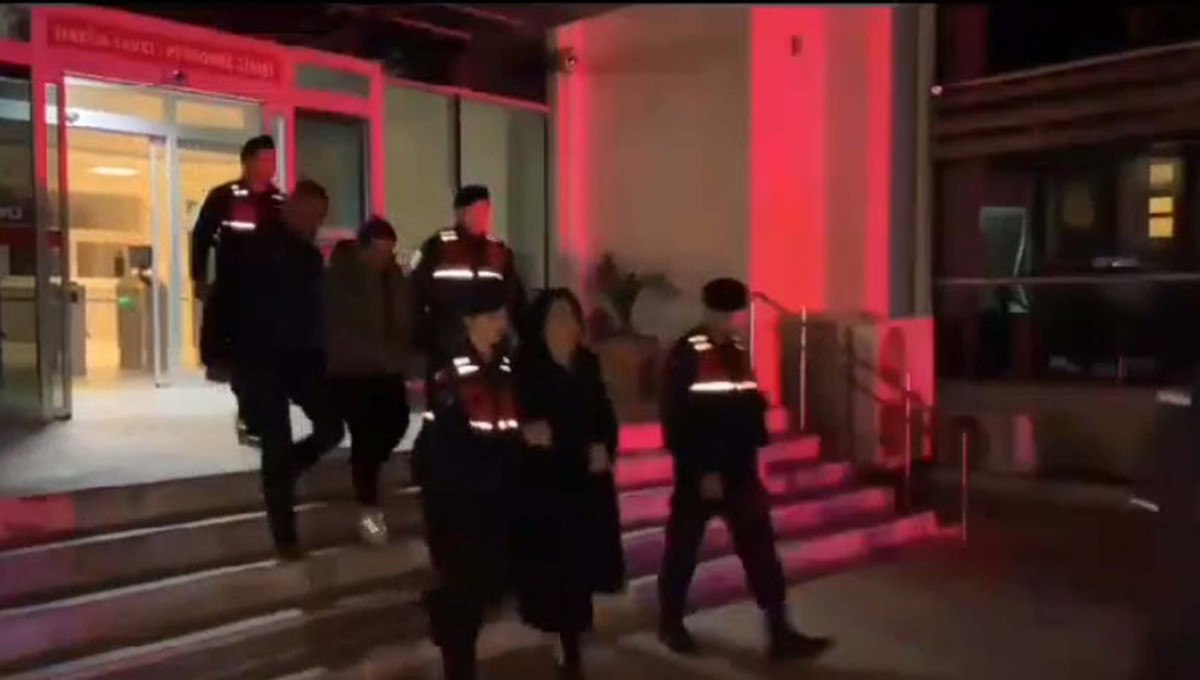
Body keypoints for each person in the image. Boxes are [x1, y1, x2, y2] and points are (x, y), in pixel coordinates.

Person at [657, 277, 832, 660]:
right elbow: (679, 419)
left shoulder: (735, 350)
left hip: (739, 470)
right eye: (725, 314)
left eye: (735, 314)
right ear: (708, 311)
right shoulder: (687, 352)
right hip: (701, 473)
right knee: (683, 549)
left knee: (761, 552)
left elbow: (745, 408)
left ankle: (780, 632)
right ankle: (670, 623)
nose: (731, 321)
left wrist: (756, 447)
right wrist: (704, 470)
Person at [414, 279, 524, 680]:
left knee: (477, 591)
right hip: (457, 500)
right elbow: (447, 444)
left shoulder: (504, 366)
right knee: (463, 593)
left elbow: (506, 428)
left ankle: (449, 631)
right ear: (469, 321)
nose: (502, 324)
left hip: (492, 498)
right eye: (493, 316)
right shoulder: (451, 371)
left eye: (503, 315)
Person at [513, 288, 625, 679]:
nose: (566, 325)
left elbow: (604, 414)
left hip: (586, 479)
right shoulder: (527, 366)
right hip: (548, 481)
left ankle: (575, 627)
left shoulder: (586, 363)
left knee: (582, 562)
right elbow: (532, 427)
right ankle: (565, 639)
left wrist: (606, 446)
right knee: (556, 566)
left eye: (570, 316)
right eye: (557, 317)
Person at [235, 179, 344, 561]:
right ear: (294, 208)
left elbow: (314, 314)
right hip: (261, 360)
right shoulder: (258, 246)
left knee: (331, 427)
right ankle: (285, 539)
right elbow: (236, 306)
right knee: (275, 443)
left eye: (320, 218)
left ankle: (289, 469)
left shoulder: (308, 256)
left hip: (301, 359)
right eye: (312, 216)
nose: (316, 224)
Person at [324, 216, 415, 546]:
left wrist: (401, 356)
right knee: (366, 433)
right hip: (351, 371)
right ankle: (368, 506)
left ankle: (366, 473)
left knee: (397, 421)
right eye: (377, 252)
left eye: (388, 252)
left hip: (387, 369)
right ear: (362, 249)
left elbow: (404, 320)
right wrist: (376, 353)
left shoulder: (395, 278)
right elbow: (340, 327)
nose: (383, 259)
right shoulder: (341, 278)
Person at [191, 134, 285, 447]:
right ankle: (250, 416)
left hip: (270, 297)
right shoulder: (224, 197)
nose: (270, 166)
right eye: (263, 159)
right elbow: (201, 239)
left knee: (265, 360)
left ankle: (259, 417)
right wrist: (199, 278)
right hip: (234, 294)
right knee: (242, 360)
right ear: (247, 162)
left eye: (273, 160)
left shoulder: (279, 202)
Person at [410, 184, 527, 365]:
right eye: (475, 211)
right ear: (460, 213)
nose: (481, 217)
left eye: (485, 211)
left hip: (489, 345)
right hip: (447, 343)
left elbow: (513, 296)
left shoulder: (498, 251)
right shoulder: (437, 247)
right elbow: (415, 293)